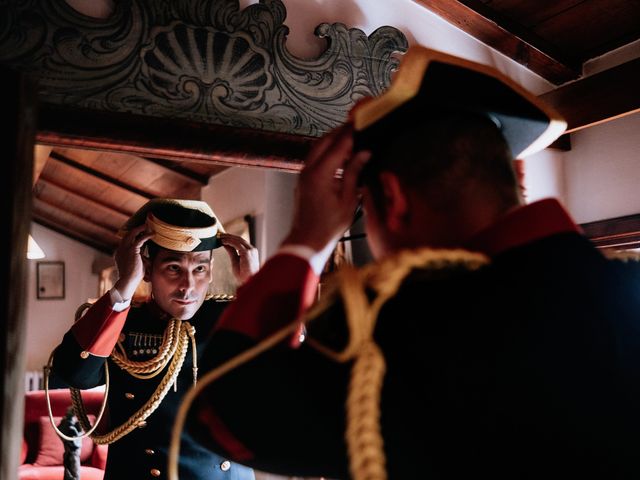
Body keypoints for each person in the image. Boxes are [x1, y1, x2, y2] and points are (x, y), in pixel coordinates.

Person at [177, 46, 640, 479]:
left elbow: (222, 414)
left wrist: (307, 239)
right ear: (518, 178)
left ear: (392, 200)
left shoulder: (395, 335)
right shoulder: (628, 289)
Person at [49, 198, 259, 480]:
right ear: (147, 269)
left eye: (199, 269)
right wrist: (124, 285)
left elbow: (294, 369)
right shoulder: (121, 318)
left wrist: (256, 285)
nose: (188, 286)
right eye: (173, 268)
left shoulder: (234, 316)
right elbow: (74, 373)